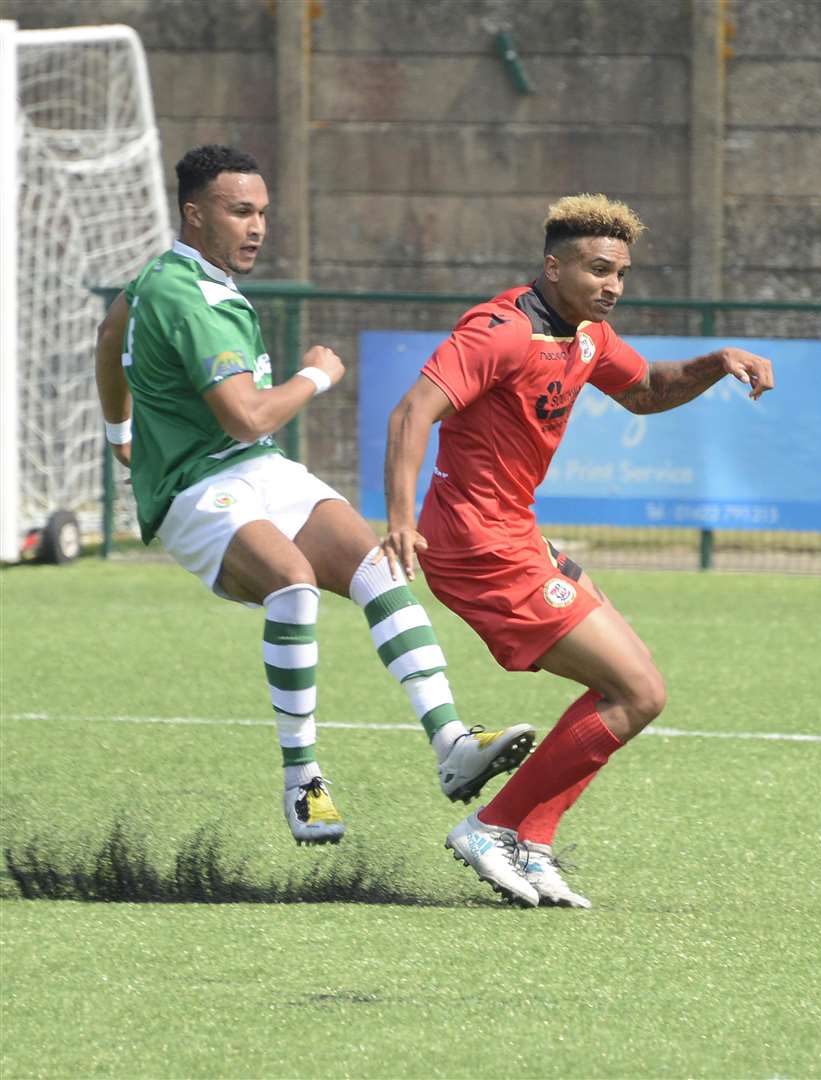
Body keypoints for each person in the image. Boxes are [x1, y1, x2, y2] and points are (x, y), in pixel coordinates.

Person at [94, 145, 535, 845]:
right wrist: (317, 375)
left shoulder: (165, 275)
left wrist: (117, 425)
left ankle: (452, 742)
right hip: (194, 487)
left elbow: (112, 326)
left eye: (263, 212)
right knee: (293, 585)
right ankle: (304, 782)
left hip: (254, 468)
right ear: (194, 213)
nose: (257, 226)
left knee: (377, 568)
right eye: (240, 211)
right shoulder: (190, 298)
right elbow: (248, 415)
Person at [382, 193, 775, 908]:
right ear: (552, 266)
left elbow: (648, 391)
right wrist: (401, 518)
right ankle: (492, 828)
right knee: (638, 692)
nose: (613, 286)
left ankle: (530, 841)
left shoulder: (587, 334)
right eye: (598, 270)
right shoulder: (498, 331)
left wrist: (717, 360)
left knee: (630, 686)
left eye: (621, 273)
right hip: (476, 548)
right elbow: (412, 411)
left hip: (517, 539)